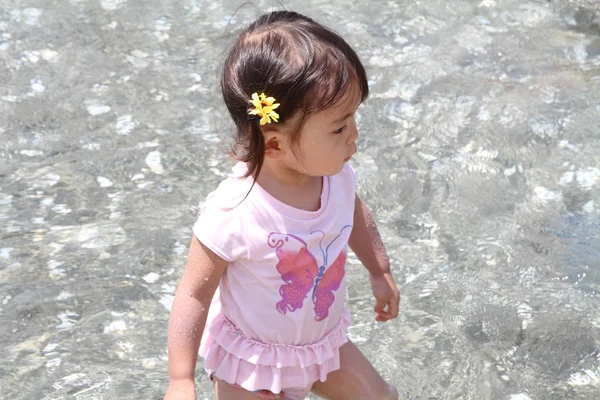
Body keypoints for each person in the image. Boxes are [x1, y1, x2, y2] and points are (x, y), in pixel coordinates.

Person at [164, 10, 400, 400]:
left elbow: (354, 216)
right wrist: (180, 379)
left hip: (322, 346)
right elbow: (193, 293)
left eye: (354, 116)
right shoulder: (235, 211)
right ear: (274, 143)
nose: (355, 135)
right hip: (251, 364)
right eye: (339, 127)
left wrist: (379, 269)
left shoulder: (337, 177)